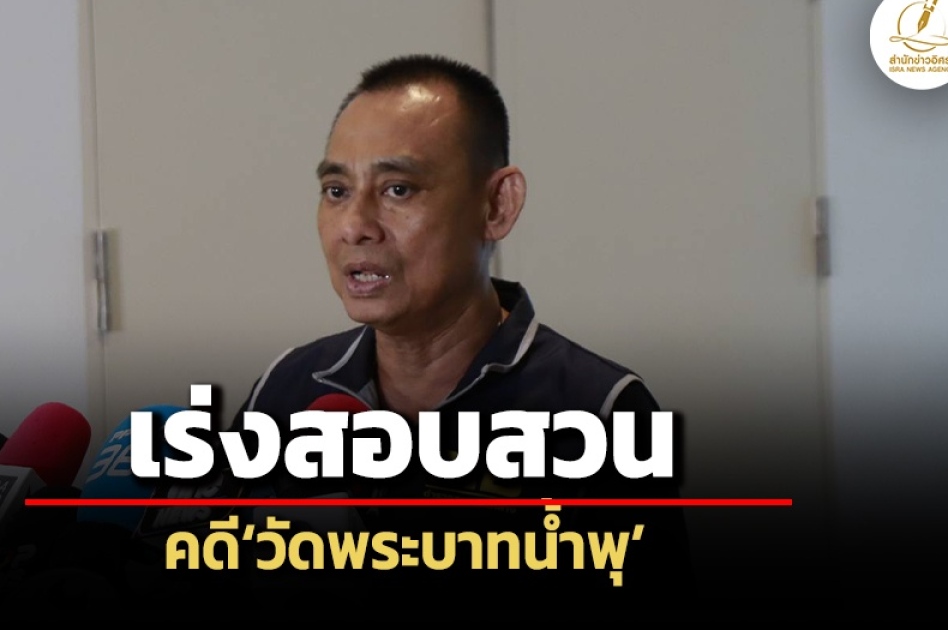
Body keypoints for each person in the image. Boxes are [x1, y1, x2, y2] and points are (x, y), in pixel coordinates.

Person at [231, 54, 694, 607]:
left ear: (497, 205)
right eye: (336, 191)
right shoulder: (286, 388)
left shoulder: (598, 414)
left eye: (398, 189)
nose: (354, 227)